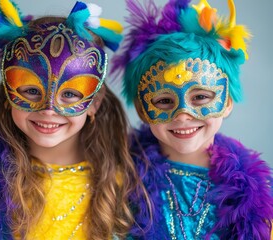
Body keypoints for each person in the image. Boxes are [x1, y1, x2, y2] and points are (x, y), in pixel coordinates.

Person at [0, 0, 150, 239]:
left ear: (94, 103)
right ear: (8, 92)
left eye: (70, 94)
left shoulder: (124, 183)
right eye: (31, 90)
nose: (49, 109)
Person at [111, 0, 273, 239]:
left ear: (227, 102)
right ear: (142, 108)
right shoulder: (118, 177)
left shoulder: (256, 196)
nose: (183, 115)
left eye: (200, 97)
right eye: (164, 101)